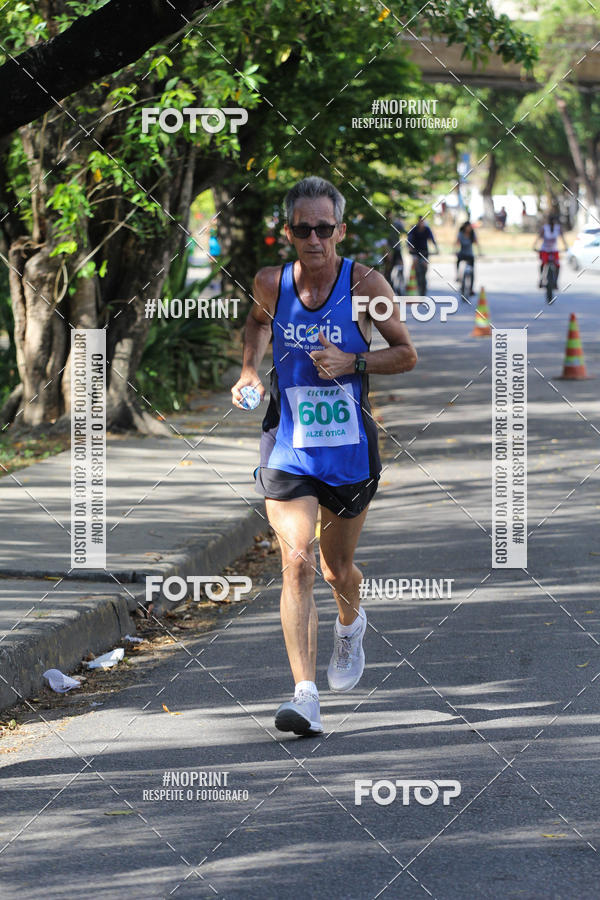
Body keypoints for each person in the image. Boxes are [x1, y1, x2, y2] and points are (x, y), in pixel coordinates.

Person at [231, 176, 417, 736]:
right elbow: (256, 326)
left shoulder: (365, 282)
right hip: (288, 444)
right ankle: (305, 695)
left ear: (339, 229)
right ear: (289, 233)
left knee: (337, 569)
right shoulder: (270, 283)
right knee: (295, 562)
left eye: (324, 228)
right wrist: (248, 371)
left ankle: (350, 623)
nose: (314, 238)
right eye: (303, 228)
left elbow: (406, 353)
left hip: (349, 450)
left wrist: (353, 363)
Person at [534, 213, 568, 287]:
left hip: (554, 250)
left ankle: (555, 281)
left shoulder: (558, 228)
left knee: (557, 265)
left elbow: (562, 238)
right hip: (545, 250)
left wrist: (566, 247)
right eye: (551, 221)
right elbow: (538, 237)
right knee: (543, 264)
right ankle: (541, 279)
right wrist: (534, 246)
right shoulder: (544, 228)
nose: (552, 223)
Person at [455, 220, 479, 293]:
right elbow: (457, 243)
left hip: (470, 254)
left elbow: (477, 243)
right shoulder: (460, 234)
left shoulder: (472, 234)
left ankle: (471, 288)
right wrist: (455, 251)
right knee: (458, 262)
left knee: (472, 271)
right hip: (462, 253)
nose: (469, 228)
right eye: (468, 227)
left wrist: (479, 252)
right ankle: (458, 276)